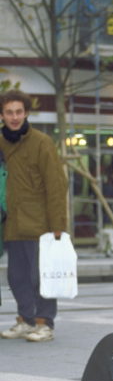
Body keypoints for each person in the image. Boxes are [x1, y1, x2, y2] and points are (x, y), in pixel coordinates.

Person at [0, 89, 68, 342]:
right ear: (2, 115)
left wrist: (58, 224)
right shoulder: (1, 142)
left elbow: (56, 185)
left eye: (19, 112)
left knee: (41, 276)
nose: (15, 117)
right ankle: (26, 319)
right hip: (11, 222)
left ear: (26, 113)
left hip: (39, 222)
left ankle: (44, 322)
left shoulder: (41, 142)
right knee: (16, 277)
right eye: (9, 112)